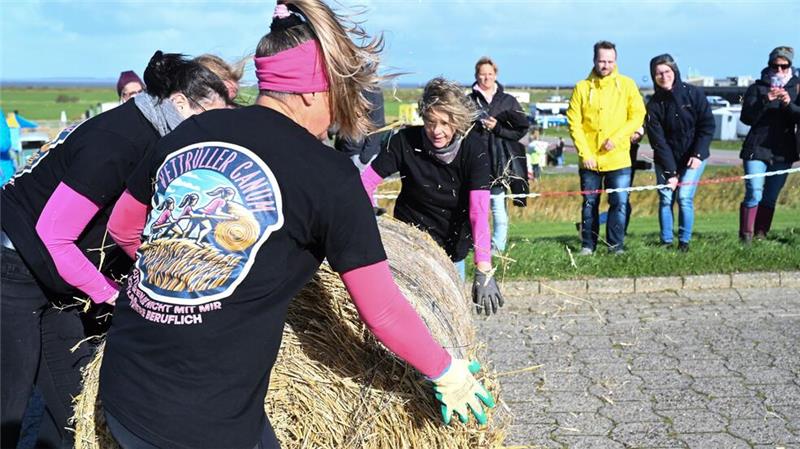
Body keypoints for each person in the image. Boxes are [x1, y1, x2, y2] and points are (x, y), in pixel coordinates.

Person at [100, 3, 495, 449]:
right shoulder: (328, 174)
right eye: (338, 93)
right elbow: (382, 310)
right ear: (310, 92)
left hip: (125, 383)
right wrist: (446, 371)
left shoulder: (195, 129)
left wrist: (181, 278)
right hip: (204, 419)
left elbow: (123, 226)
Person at [0, 51, 230, 449]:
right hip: (13, 264)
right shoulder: (119, 140)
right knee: (8, 407)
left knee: (73, 405)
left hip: (50, 275)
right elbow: (54, 234)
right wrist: (110, 295)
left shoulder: (152, 132)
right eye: (208, 118)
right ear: (179, 103)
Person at [361, 77, 504, 314]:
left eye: (444, 123)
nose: (436, 131)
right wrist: (368, 214)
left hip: (452, 249)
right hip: (411, 244)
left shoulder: (474, 150)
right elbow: (365, 182)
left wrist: (484, 268)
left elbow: (478, 212)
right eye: (430, 122)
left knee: (450, 315)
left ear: (457, 121)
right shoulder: (404, 142)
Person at [566, 40, 646, 255]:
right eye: (602, 61)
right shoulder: (581, 88)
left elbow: (637, 115)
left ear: (616, 61)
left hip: (619, 159)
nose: (606, 65)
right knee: (590, 203)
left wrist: (618, 138)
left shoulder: (627, 85)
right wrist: (585, 154)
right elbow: (574, 123)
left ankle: (615, 246)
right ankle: (588, 245)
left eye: (610, 61)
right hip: (590, 160)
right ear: (594, 60)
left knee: (619, 202)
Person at [645, 54, 715, 251]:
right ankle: (666, 242)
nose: (663, 76)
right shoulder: (653, 105)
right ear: (653, 76)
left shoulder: (694, 94)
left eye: (667, 71)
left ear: (674, 71)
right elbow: (658, 142)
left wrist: (698, 154)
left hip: (693, 158)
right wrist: (671, 173)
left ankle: (684, 242)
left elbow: (707, 126)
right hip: (666, 160)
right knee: (666, 198)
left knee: (684, 197)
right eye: (658, 73)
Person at [468, 56, 529, 254]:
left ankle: (498, 248)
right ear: (476, 76)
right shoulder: (468, 102)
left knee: (498, 208)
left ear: (496, 75)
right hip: (475, 161)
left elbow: (520, 130)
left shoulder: (508, 101)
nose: (486, 78)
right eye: (482, 74)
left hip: (501, 162)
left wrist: (498, 128)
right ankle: (480, 245)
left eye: (489, 74)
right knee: (478, 209)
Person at [739, 46, 799, 242]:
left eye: (784, 66)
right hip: (756, 148)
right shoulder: (756, 88)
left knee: (770, 196)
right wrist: (766, 99)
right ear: (769, 65)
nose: (779, 70)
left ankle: (760, 237)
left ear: (790, 65)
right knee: (754, 192)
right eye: (775, 66)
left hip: (783, 151)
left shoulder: (797, 88)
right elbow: (746, 118)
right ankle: (746, 237)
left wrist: (789, 104)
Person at [334, 88, 387, 172]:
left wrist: (364, 159)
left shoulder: (373, 90)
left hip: (360, 156)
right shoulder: (345, 86)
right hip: (344, 151)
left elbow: (378, 126)